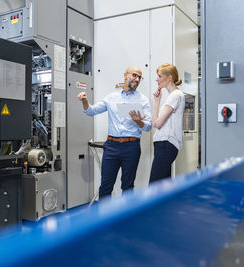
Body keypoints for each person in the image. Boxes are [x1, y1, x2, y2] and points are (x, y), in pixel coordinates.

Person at [77, 66, 152, 198]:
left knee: (128, 186)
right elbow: (91, 111)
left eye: (139, 77)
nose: (137, 79)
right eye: (134, 75)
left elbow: (148, 126)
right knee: (106, 185)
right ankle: (105, 218)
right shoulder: (112, 97)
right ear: (125, 75)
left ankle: (126, 218)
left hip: (131, 147)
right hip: (112, 146)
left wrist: (138, 122)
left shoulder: (143, 100)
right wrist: (85, 101)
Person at [149, 63, 185, 183]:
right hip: (163, 144)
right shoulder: (172, 96)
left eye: (159, 76)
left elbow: (157, 124)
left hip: (166, 144)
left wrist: (156, 121)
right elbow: (155, 122)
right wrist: (157, 101)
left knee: (154, 186)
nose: (157, 79)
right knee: (163, 186)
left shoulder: (175, 95)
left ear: (169, 78)